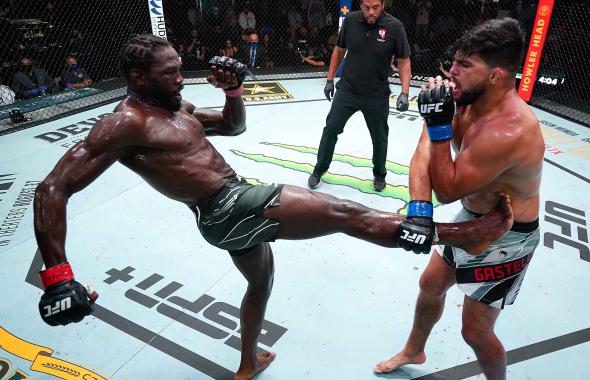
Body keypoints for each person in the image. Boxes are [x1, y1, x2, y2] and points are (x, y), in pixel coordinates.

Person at [33, 34, 514, 380]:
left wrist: (233, 92)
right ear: (139, 77)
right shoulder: (124, 124)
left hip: (223, 216)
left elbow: (232, 126)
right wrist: (58, 274)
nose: (182, 79)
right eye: (171, 73)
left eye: (181, 69)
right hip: (231, 204)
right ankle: (460, 235)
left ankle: (248, 363)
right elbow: (53, 189)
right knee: (346, 213)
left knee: (260, 286)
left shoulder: (173, 108)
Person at [374, 18, 544, 380]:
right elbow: (423, 154)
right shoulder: (467, 99)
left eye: (465, 65)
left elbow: (448, 188)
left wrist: (435, 126)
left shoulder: (509, 129)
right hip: (471, 216)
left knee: (475, 332)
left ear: (497, 75)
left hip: (507, 235)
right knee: (430, 285)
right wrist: (420, 210)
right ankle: (414, 350)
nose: (452, 72)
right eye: (454, 61)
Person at [307, 0, 411, 192]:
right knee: (331, 128)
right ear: (361, 5)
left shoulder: (394, 26)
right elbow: (339, 50)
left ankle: (379, 174)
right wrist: (330, 79)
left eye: (375, 8)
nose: (371, 12)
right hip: (348, 90)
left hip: (376, 94)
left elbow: (404, 61)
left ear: (382, 6)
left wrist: (405, 92)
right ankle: (319, 169)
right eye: (366, 8)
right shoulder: (351, 21)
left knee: (379, 137)